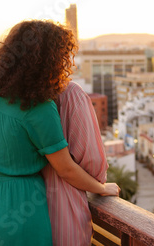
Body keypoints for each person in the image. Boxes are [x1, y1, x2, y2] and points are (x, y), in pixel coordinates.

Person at [0, 20, 119, 246]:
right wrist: (102, 188)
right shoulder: (38, 108)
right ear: (51, 61)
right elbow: (66, 168)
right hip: (19, 208)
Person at [42, 81, 109, 245]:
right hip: (65, 210)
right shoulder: (71, 93)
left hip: (24, 212)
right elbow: (93, 163)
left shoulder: (10, 95)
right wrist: (101, 186)